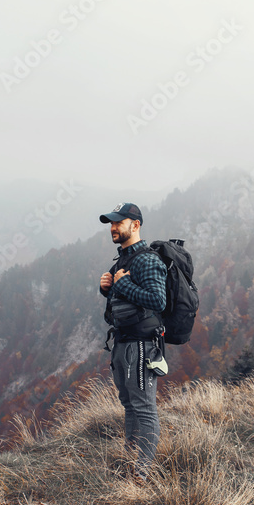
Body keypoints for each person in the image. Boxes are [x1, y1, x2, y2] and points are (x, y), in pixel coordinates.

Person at [99, 202, 167, 482]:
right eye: (111, 223)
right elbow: (121, 308)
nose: (113, 228)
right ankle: (131, 459)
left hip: (141, 346)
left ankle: (142, 474)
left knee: (144, 408)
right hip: (123, 344)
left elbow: (158, 300)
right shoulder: (122, 262)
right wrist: (108, 290)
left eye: (119, 222)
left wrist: (122, 285)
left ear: (135, 225)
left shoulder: (148, 260)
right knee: (129, 405)